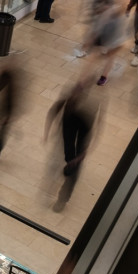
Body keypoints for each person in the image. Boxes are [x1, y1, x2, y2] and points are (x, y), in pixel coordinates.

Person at [44, 80, 100, 211]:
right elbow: (53, 112)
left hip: (81, 132)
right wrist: (46, 133)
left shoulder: (86, 113)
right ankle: (69, 166)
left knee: (74, 166)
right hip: (68, 129)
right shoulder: (66, 102)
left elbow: (87, 139)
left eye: (77, 97)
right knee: (68, 152)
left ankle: (63, 199)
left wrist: (80, 156)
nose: (73, 99)